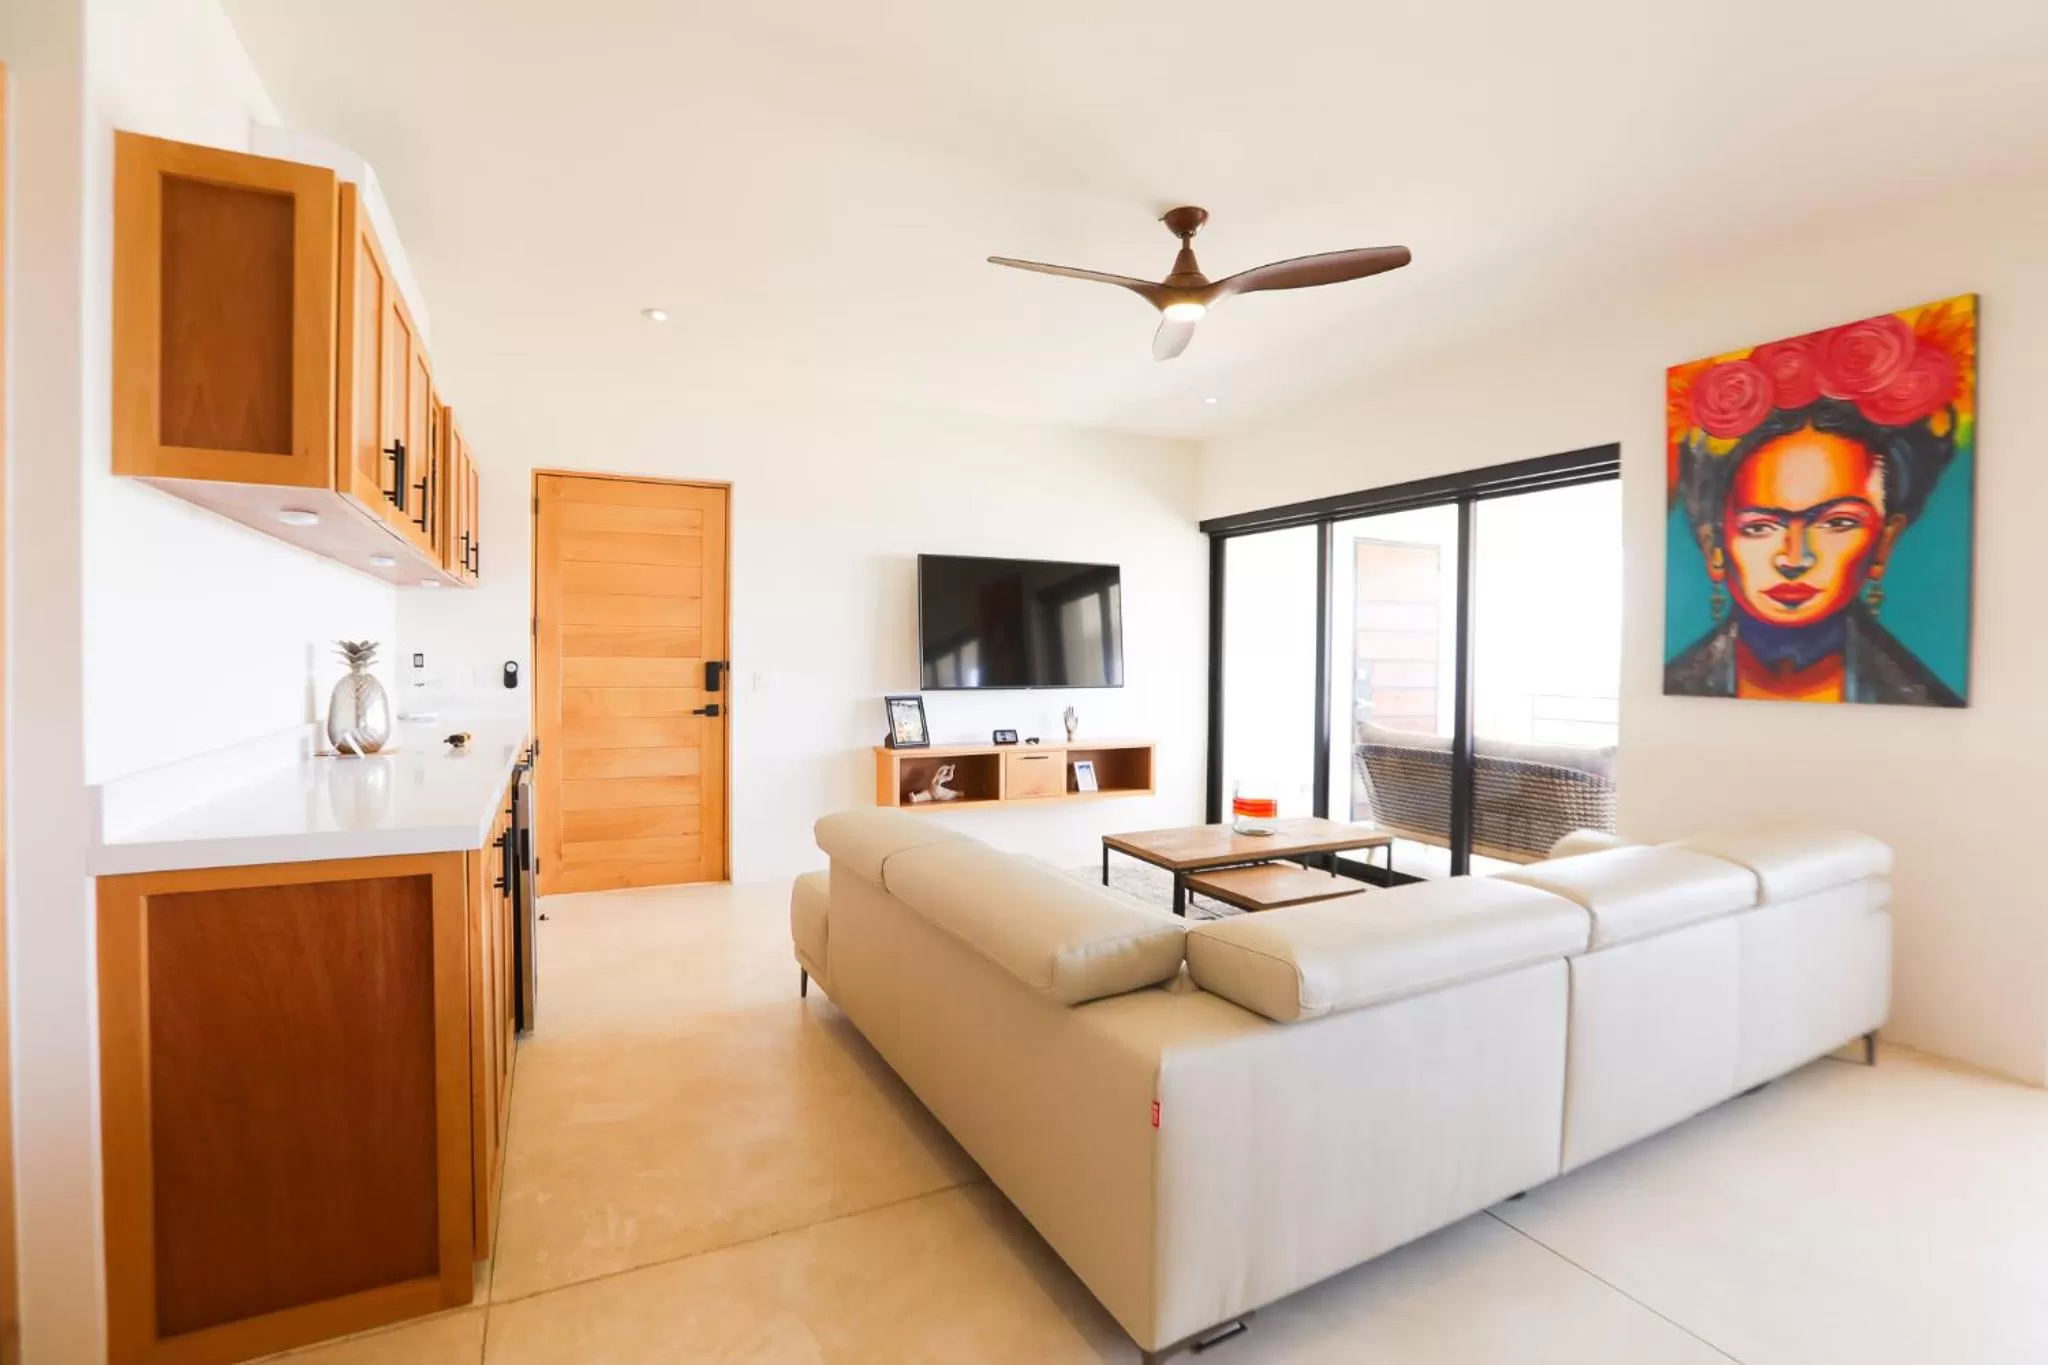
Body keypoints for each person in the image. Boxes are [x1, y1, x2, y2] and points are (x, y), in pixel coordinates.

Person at [1664, 309, 1967, 706]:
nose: (1794, 559)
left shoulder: (1923, 698)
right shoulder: (1677, 683)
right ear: (1714, 548)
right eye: (1760, 526)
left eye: (1837, 523)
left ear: (1884, 542)